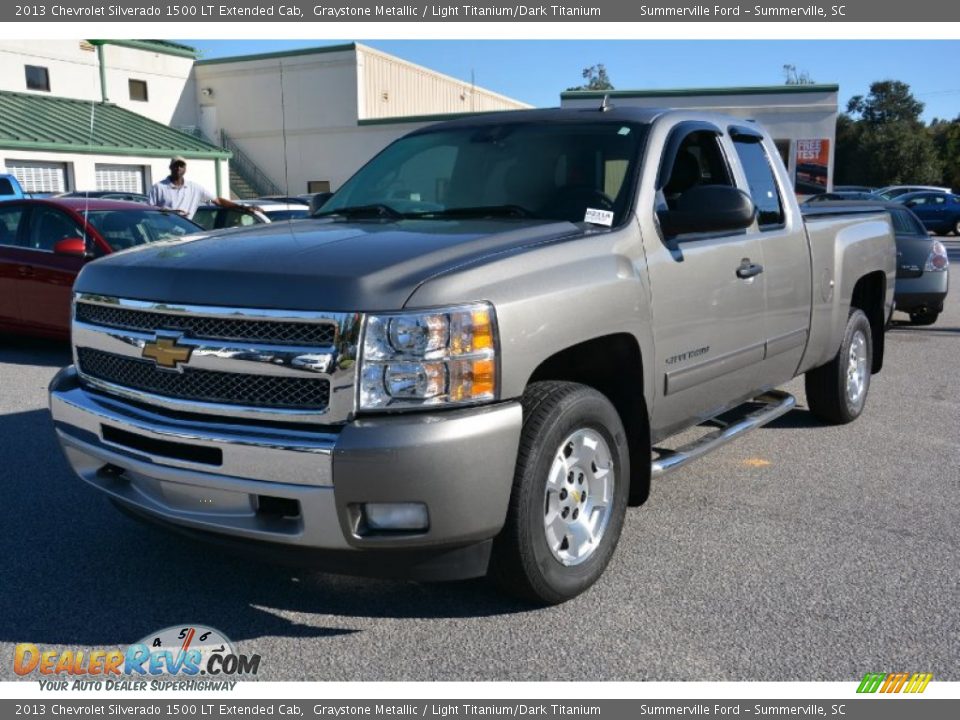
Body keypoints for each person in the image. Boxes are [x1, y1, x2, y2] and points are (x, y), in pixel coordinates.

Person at [148, 156, 260, 220]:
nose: (178, 168)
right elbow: (149, 211)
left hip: (186, 235)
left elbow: (218, 200)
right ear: (170, 167)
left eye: (181, 165)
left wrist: (244, 208)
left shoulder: (194, 188)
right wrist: (170, 212)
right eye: (175, 165)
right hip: (163, 235)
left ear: (185, 169)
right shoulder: (158, 187)